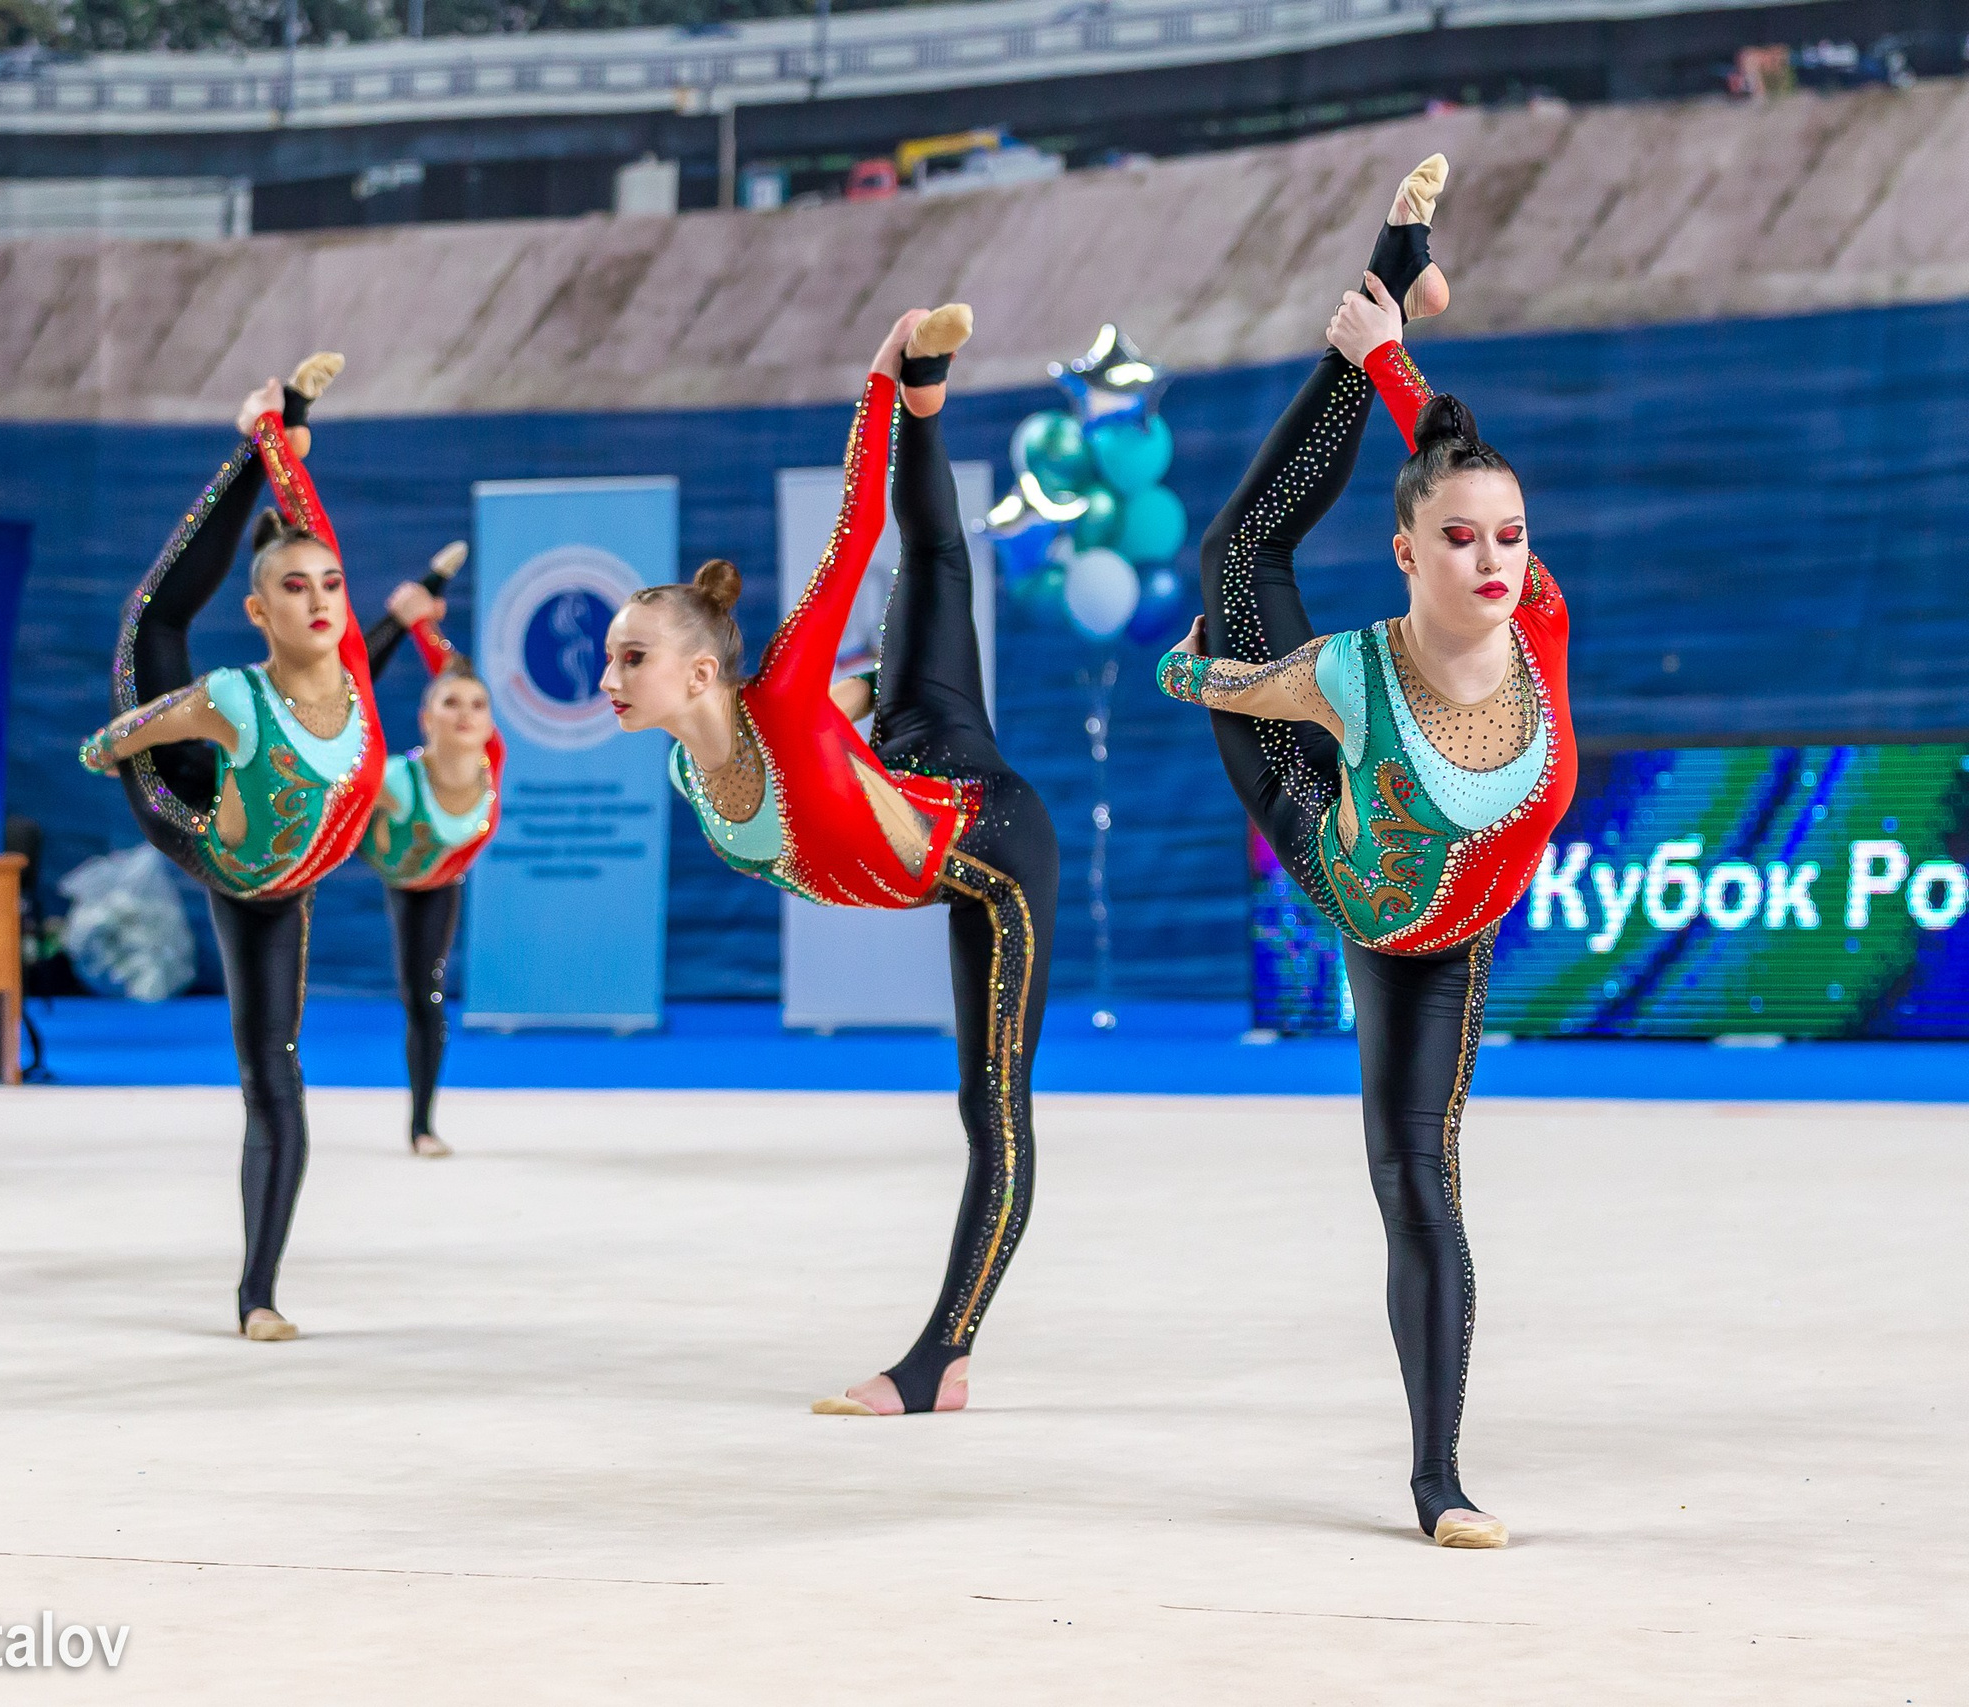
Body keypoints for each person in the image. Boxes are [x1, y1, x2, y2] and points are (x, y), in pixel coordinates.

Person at [1155, 157, 1573, 1548]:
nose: (1493, 554)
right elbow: (1230, 675)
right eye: (1460, 539)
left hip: (1442, 935)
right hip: (1316, 819)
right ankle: (1387, 285)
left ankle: (1437, 1477)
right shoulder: (1348, 661)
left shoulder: (1544, 619)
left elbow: (1449, 460)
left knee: (1417, 1179)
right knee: (1234, 554)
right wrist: (1196, 680)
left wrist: (1389, 347)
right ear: (1406, 556)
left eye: (1510, 535)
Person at [601, 303, 1059, 1418]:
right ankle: (935, 399)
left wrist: (871, 374)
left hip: (988, 844)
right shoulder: (678, 771)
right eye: (610, 657)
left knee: (990, 1109)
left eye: (631, 657)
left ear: (702, 675)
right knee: (938, 563)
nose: (608, 676)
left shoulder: (785, 691)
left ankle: (938, 1360)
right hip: (918, 752)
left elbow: (853, 528)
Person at [79, 353, 389, 1342]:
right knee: (148, 617)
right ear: (261, 613)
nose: (320, 599)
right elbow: (121, 741)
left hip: (278, 878)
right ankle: (241, 448)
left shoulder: (354, 673)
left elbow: (316, 528)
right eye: (293, 590)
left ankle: (258, 1294)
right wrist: (112, 746)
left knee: (273, 1071)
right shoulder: (231, 693)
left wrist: (284, 429)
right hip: (188, 811)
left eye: (330, 586)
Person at [357, 544, 502, 1158]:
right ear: (426, 719)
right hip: (370, 853)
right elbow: (354, 691)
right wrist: (407, 620)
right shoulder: (390, 783)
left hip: (437, 883)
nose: (467, 713)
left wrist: (423, 615)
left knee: (424, 995)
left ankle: (422, 1124)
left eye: (478, 706)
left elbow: (456, 670)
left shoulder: (491, 761)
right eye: (451, 705)